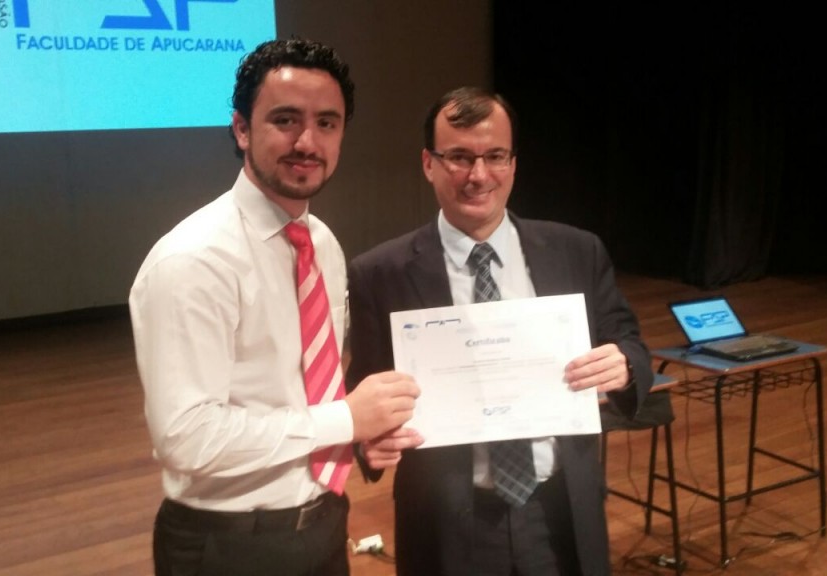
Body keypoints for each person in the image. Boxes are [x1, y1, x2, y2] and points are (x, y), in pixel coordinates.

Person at [129, 38, 420, 576]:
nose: (307, 141)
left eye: (327, 123)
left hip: (325, 520)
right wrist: (346, 418)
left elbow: (302, 390)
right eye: (286, 120)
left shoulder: (322, 244)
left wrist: (358, 436)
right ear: (242, 129)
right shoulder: (193, 260)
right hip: (229, 545)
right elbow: (187, 439)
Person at [345, 86, 653, 576]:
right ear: (428, 164)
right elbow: (364, 386)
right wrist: (367, 440)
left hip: (561, 510)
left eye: (494, 156)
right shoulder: (380, 273)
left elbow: (630, 342)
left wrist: (625, 365)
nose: (479, 175)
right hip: (447, 520)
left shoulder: (577, 250)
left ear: (513, 163)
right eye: (459, 157)